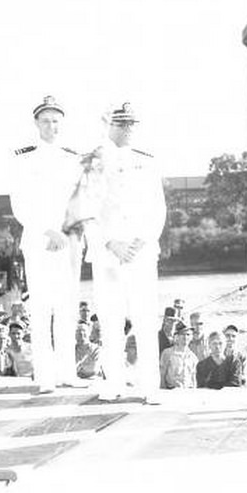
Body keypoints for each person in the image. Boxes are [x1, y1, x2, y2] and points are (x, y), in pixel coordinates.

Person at [85, 102, 166, 401]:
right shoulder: (93, 162)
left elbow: (158, 209)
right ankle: (114, 383)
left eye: (131, 124)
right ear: (109, 126)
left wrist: (141, 240)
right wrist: (110, 242)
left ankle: (150, 386)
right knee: (110, 319)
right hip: (108, 253)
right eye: (121, 124)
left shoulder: (148, 161)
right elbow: (87, 210)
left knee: (145, 319)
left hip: (140, 252)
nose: (127, 129)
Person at [10, 95, 83, 393]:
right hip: (39, 241)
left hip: (69, 241)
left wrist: (64, 232)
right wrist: (49, 231)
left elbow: (80, 201)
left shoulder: (73, 158)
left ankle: (67, 372)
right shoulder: (23, 159)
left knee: (67, 308)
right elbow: (20, 205)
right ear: (36, 124)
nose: (51, 126)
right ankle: (44, 375)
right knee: (41, 309)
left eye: (56, 121)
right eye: (46, 121)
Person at [159, 324, 198, 389]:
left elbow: (193, 379)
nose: (185, 337)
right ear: (177, 336)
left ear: (191, 337)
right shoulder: (167, 353)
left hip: (187, 391)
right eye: (182, 334)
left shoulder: (193, 357)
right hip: (171, 390)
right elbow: (162, 375)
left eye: (188, 334)